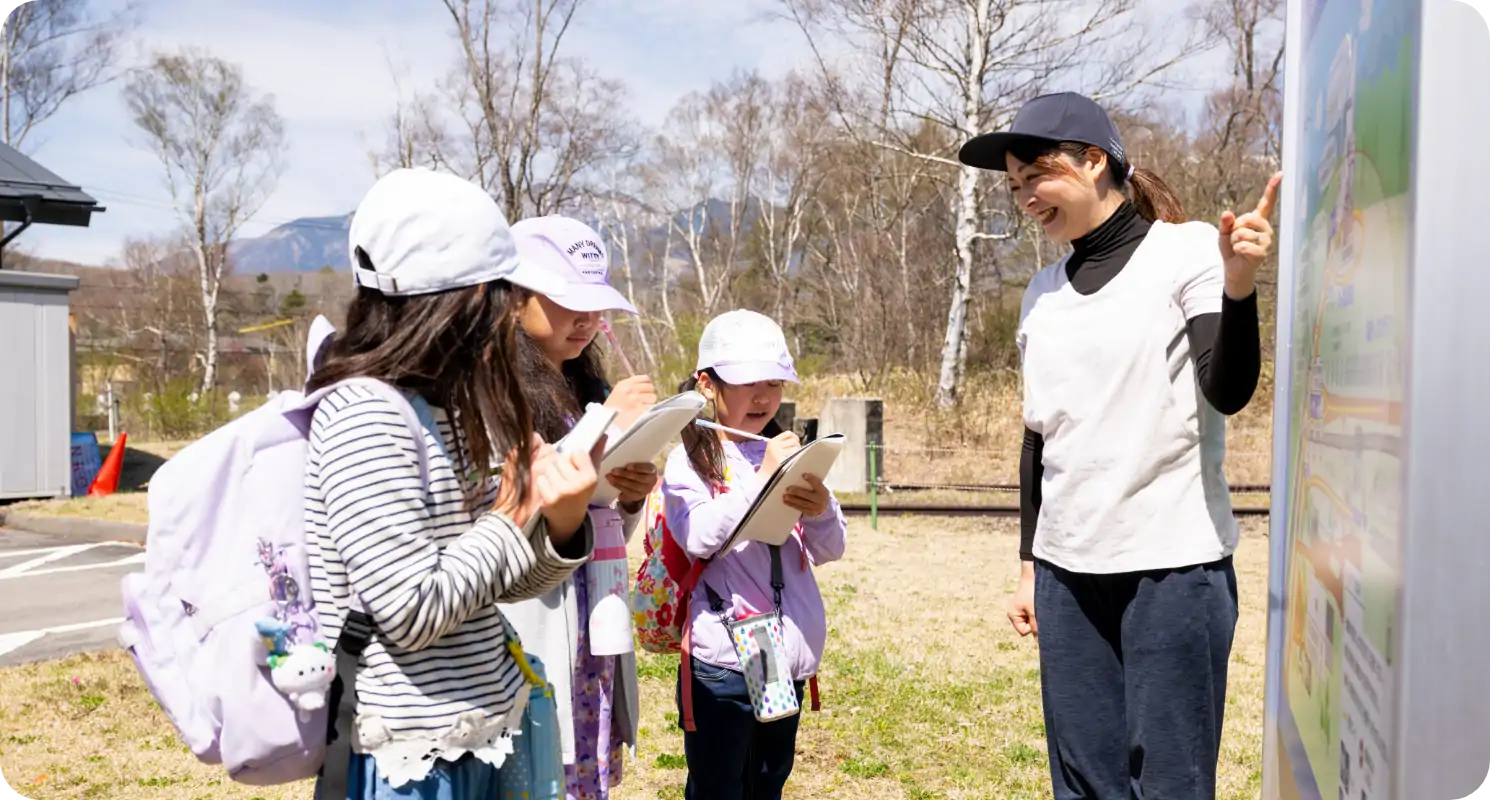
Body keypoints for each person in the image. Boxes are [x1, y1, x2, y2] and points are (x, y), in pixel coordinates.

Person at [957, 92, 1279, 799]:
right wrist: (1027, 567)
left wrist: (1239, 287)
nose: (1024, 197)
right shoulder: (1040, 293)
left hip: (1173, 566)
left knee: (1169, 781)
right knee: (1082, 783)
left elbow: (1226, 390)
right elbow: (1039, 438)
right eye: (1013, 185)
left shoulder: (1187, 250)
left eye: (1034, 175)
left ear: (1093, 161)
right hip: (1068, 575)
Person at [304, 168, 601, 799]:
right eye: (497, 296)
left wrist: (562, 523)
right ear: (450, 304)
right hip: (407, 752)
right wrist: (510, 517)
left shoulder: (446, 405)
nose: (505, 318)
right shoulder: (364, 412)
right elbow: (411, 611)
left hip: (484, 729)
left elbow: (495, 585)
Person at [500, 214, 659, 800]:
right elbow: (524, 496)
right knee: (543, 763)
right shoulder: (496, 390)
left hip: (595, 609)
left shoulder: (579, 387)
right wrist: (607, 421)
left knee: (586, 764)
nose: (588, 320)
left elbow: (597, 508)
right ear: (514, 299)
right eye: (571, 302)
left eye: (597, 306)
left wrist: (632, 492)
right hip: (538, 614)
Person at [661, 309, 848, 800]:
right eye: (748, 383)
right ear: (707, 384)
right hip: (722, 655)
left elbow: (831, 548)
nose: (764, 397)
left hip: (771, 652)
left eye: (774, 382)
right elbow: (699, 536)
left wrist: (821, 508)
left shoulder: (783, 449)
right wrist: (764, 481)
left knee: (766, 782)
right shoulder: (688, 458)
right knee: (718, 786)